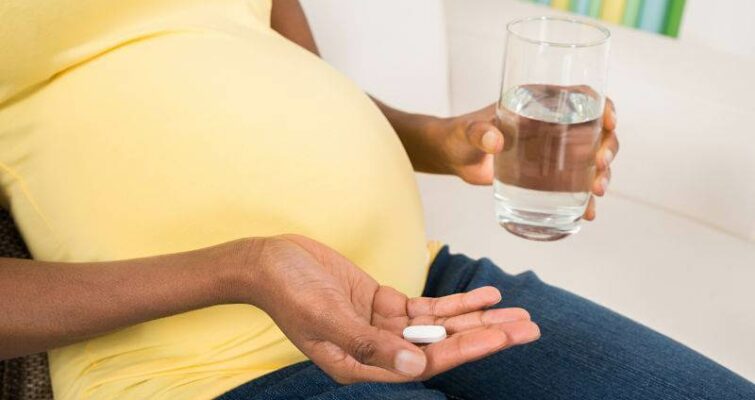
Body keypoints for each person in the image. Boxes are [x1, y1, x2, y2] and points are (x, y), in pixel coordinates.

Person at [0, 1, 751, 399]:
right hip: (207, 368)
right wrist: (248, 267)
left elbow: (286, 76)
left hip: (421, 289)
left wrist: (438, 139)